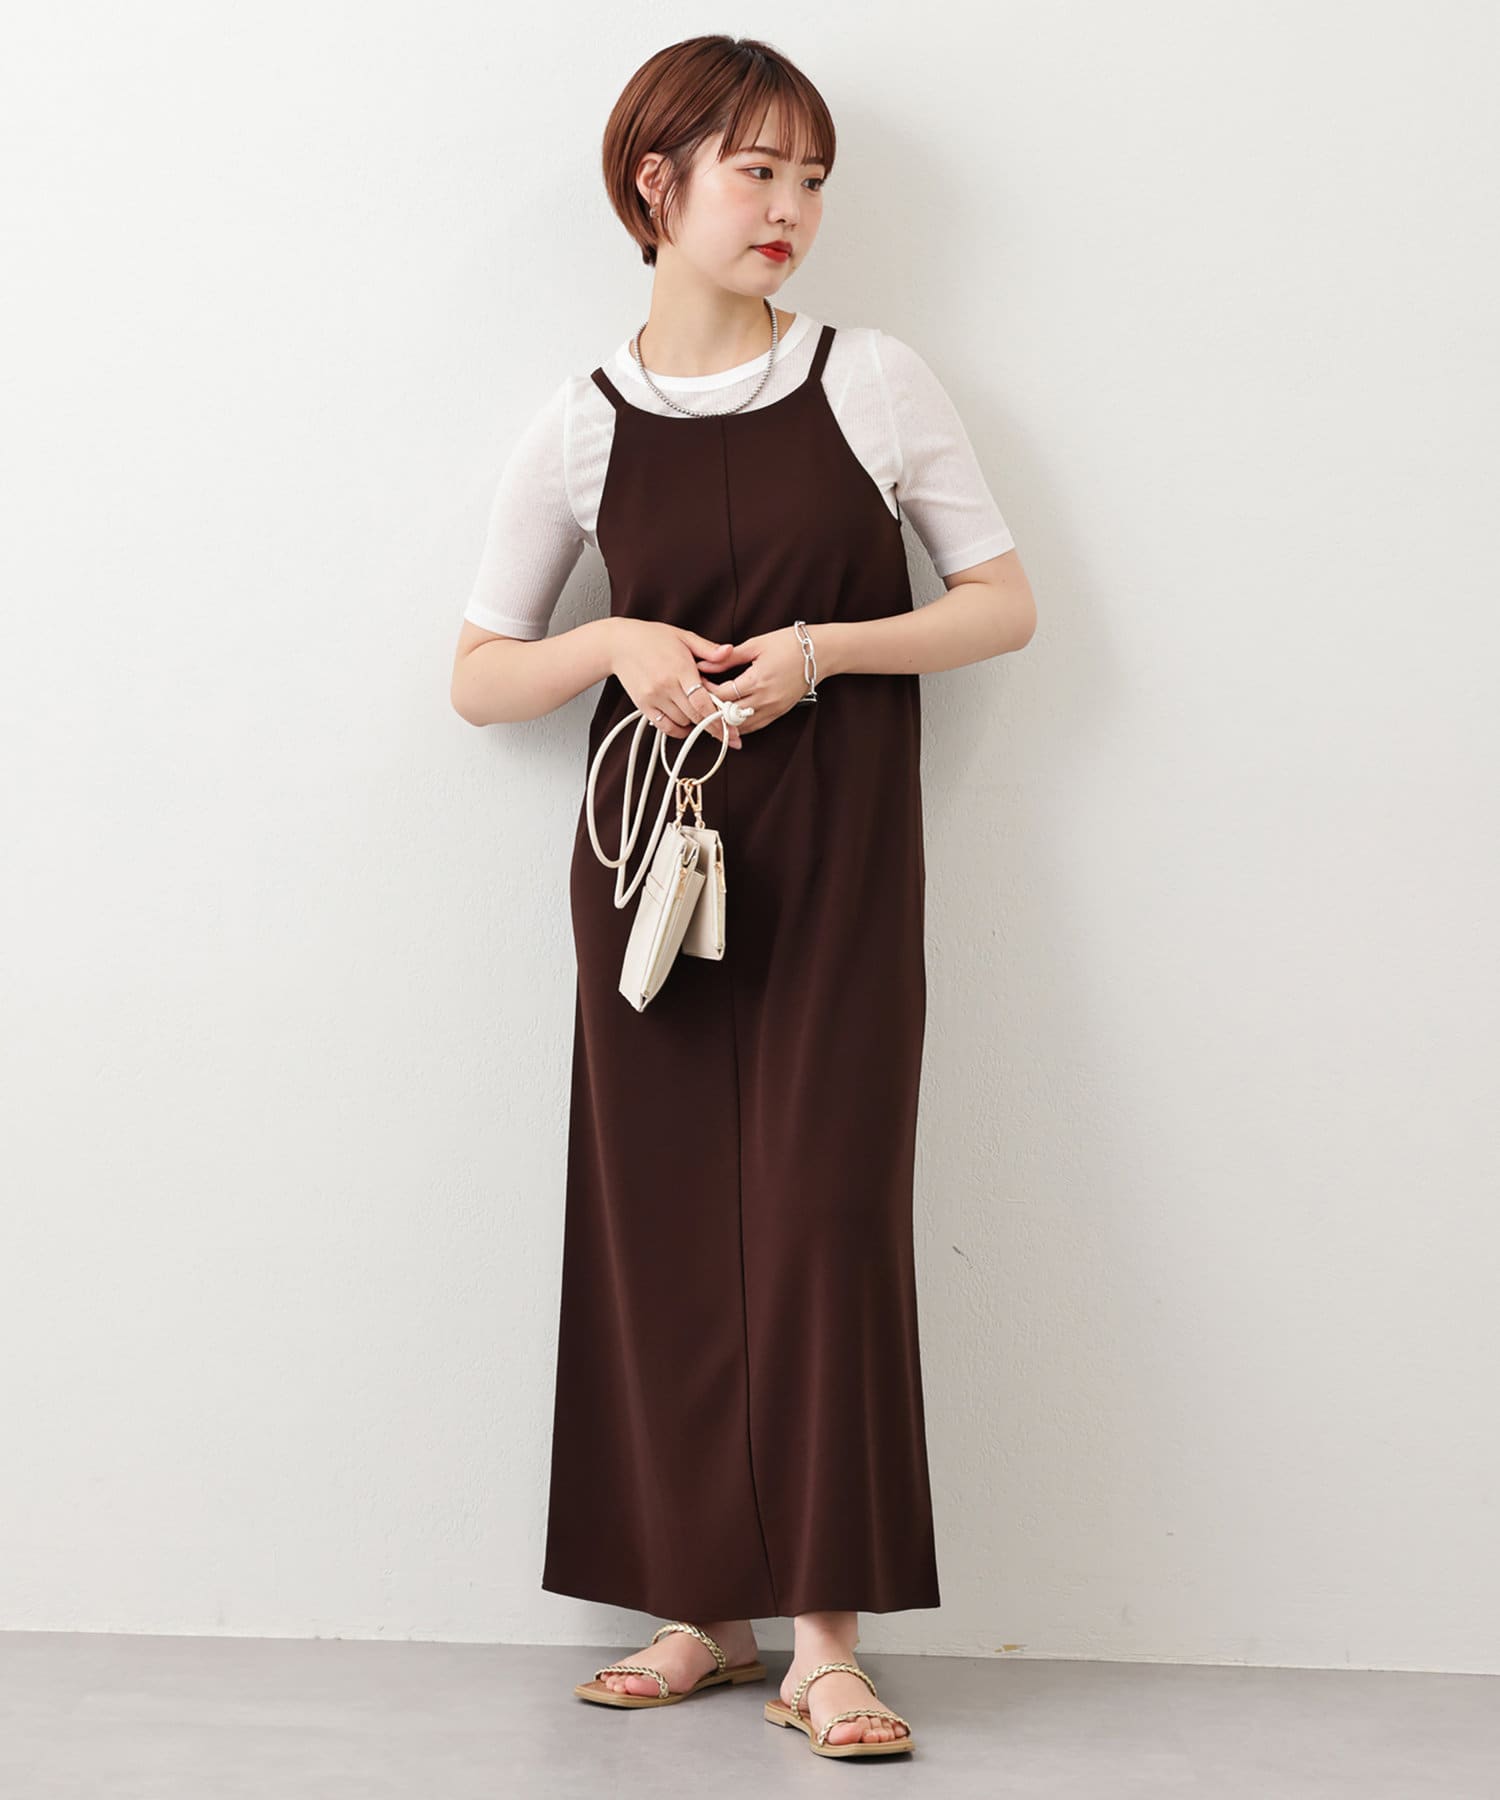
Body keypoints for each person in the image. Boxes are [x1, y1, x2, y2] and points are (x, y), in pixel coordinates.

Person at [451, 34, 1036, 1761]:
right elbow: (479, 674)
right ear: (659, 186)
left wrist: (820, 653)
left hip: (836, 862)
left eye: (810, 177)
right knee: (658, 1229)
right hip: (649, 873)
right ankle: (697, 1612)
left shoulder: (874, 380)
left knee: (820, 1225)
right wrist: (610, 646)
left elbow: (1000, 603)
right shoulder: (577, 422)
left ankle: (824, 1646)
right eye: (755, 170)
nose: (789, 206)